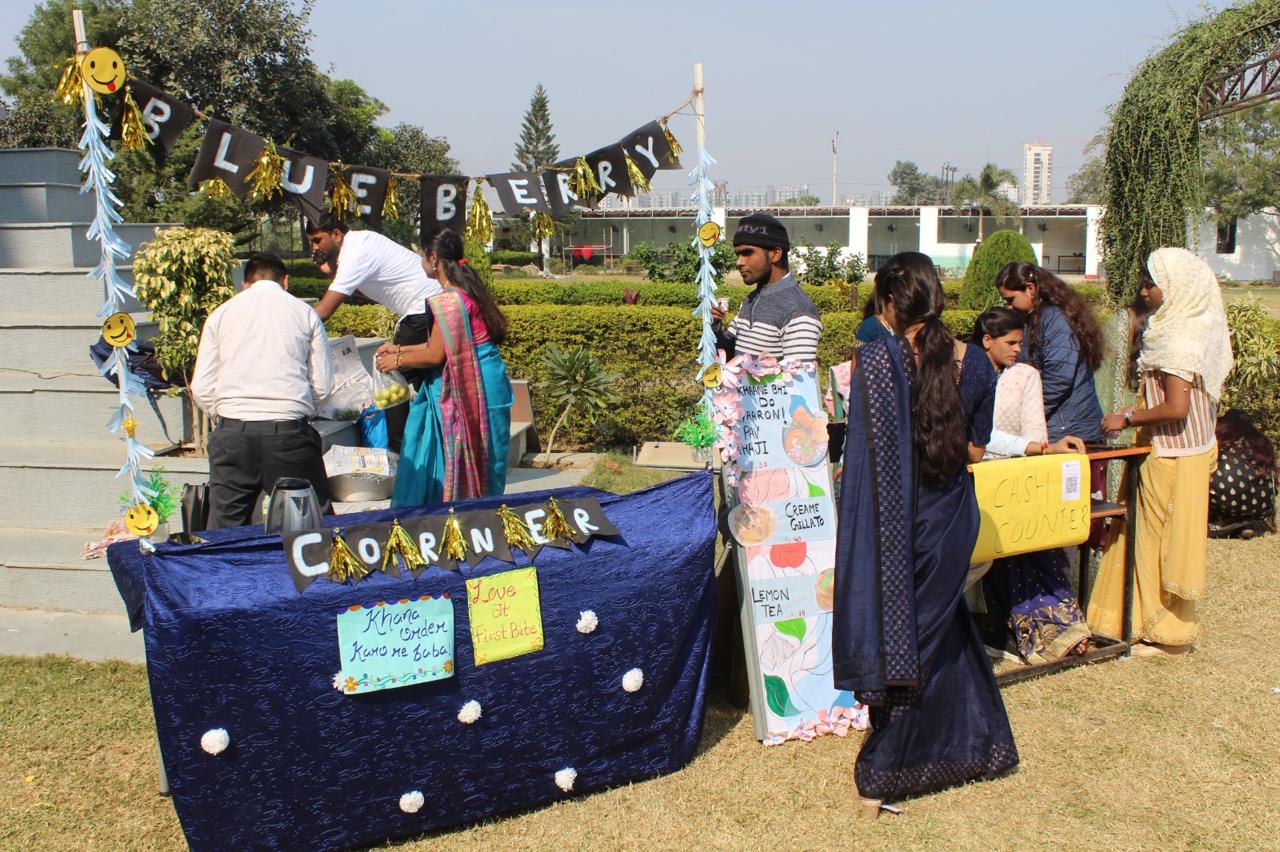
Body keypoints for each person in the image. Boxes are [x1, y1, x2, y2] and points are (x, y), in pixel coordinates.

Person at [832, 252, 1015, 817]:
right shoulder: (974, 363)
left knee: (904, 642)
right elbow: (976, 451)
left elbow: (862, 453)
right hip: (950, 519)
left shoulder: (875, 359)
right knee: (936, 633)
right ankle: (971, 743)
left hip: (897, 528)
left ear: (889, 301)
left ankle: (885, 769)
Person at [1091, 247, 1234, 655]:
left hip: (1171, 455)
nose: (1144, 291)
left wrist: (1127, 418)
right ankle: (1142, 624)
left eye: (1150, 284)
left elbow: (1175, 408)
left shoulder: (1177, 339)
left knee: (1152, 541)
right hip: (1186, 451)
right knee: (1160, 539)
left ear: (1174, 288)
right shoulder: (1192, 327)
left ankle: (1159, 630)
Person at [970, 307, 1090, 663]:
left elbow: (1033, 429)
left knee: (1032, 550)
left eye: (1020, 343)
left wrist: (1039, 450)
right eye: (1010, 342)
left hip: (1017, 478)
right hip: (979, 478)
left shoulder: (1024, 376)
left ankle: (1052, 628)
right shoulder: (965, 373)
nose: (1016, 349)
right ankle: (1003, 628)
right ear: (987, 340)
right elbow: (976, 435)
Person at [190, 253, 334, 528]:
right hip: (289, 434)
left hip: (233, 434)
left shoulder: (221, 314)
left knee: (227, 531)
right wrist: (299, 411)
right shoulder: (304, 313)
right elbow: (323, 385)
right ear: (285, 281)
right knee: (311, 528)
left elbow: (201, 387)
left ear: (245, 283)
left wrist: (228, 415)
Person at [375, 229, 513, 507]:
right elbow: (442, 345)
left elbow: (435, 355)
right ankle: (479, 514)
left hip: (477, 389)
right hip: (486, 381)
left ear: (434, 258)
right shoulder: (465, 291)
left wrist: (397, 361)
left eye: (422, 256)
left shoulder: (449, 301)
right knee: (487, 461)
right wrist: (399, 349)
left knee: (471, 463)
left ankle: (462, 516)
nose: (421, 262)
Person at [306, 216, 441, 453]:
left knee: (390, 376)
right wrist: (327, 267)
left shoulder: (356, 253)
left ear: (336, 234)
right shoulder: (359, 243)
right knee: (420, 379)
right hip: (429, 306)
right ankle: (425, 444)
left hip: (422, 309)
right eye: (311, 242)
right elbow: (349, 282)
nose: (314, 247)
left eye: (317, 240)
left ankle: (399, 452)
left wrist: (289, 328)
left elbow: (324, 311)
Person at [997, 262, 1105, 443]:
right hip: (1059, 427)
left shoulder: (1055, 320)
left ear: (1030, 288)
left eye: (1011, 299)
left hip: (1071, 431)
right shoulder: (1033, 318)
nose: (1009, 306)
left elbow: (1059, 377)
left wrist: (1025, 411)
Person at [711, 213, 822, 361]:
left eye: (747, 253)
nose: (739, 262)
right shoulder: (751, 300)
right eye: (738, 254)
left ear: (775, 254)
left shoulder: (798, 311)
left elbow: (800, 375)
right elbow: (729, 355)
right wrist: (715, 326)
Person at [1093, 274, 1156, 499]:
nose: (1144, 292)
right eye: (1144, 286)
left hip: (1144, 421)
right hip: (1129, 420)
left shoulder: (1171, 324)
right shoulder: (1124, 322)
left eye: (1150, 286)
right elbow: (1105, 377)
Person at [1209, 410, 1277, 538]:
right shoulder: (1261, 442)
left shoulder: (1222, 440)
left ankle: (1223, 522)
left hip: (1225, 499)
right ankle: (1243, 522)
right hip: (1261, 504)